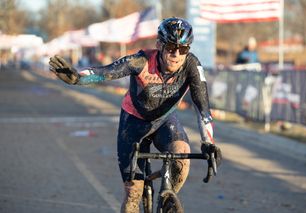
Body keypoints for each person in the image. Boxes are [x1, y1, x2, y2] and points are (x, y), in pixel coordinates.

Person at [49, 17, 222, 213]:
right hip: (133, 124)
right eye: (171, 47)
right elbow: (106, 72)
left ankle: (167, 198)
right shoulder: (141, 60)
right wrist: (77, 78)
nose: (176, 54)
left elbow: (203, 106)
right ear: (159, 45)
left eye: (183, 49)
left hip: (164, 121)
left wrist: (208, 142)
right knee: (133, 193)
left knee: (182, 156)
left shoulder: (191, 65)